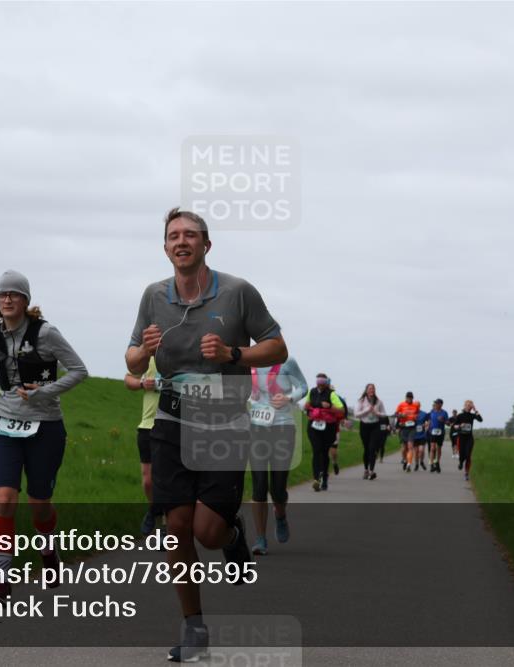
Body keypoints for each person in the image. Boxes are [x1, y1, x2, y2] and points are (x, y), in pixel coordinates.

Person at [125, 208, 287, 662]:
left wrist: (234, 352)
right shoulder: (153, 296)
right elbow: (133, 360)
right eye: (174, 236)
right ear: (165, 248)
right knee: (176, 527)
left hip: (224, 423)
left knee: (207, 532)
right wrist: (144, 351)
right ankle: (194, 628)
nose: (182, 242)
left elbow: (277, 345)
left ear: (206, 245)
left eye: (191, 235)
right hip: (172, 421)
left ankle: (232, 534)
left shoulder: (237, 293)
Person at [0, 270, 88, 602]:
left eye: (14, 294)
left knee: (39, 504)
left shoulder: (46, 333)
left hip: (46, 426)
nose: (7, 299)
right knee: (4, 498)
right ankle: (1, 581)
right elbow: (4, 369)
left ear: (26, 300)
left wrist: (43, 392)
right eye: (2, 294)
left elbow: (79, 371)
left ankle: (49, 551)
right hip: (4, 423)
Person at [247, 358, 308, 555]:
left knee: (278, 488)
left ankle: (280, 516)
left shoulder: (287, 362)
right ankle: (260, 538)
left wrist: (289, 398)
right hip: (257, 428)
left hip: (283, 427)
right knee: (259, 485)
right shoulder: (249, 362)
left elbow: (304, 386)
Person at [124, 357, 163, 535]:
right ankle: (155, 510)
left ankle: (165, 529)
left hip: (172, 425)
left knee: (166, 481)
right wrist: (141, 383)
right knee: (148, 481)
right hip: (147, 425)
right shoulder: (149, 357)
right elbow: (128, 379)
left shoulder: (181, 355)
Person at [303, 373, 346, 491]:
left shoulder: (331, 394)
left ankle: (325, 479)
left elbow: (341, 409)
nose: (320, 384)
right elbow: (306, 405)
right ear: (316, 382)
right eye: (319, 381)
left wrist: (329, 407)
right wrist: (313, 407)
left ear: (326, 383)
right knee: (316, 451)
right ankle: (316, 479)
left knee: (324, 452)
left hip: (328, 428)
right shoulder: (311, 392)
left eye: (323, 382)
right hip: (313, 426)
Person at [355, 383, 387, 479]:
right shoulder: (361, 401)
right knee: (366, 449)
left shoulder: (379, 402)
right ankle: (366, 469)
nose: (371, 390)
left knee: (372, 449)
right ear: (366, 390)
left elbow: (384, 414)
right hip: (364, 426)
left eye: (373, 389)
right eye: (369, 389)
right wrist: (367, 410)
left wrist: (376, 412)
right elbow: (356, 414)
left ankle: (372, 471)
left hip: (375, 426)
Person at [453, 400, 483, 481]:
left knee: (468, 455)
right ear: (465, 406)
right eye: (468, 405)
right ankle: (460, 462)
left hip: (469, 438)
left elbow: (480, 419)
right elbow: (454, 426)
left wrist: (475, 409)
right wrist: (459, 426)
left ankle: (466, 473)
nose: (469, 406)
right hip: (461, 438)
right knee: (462, 454)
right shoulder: (460, 416)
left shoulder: (472, 415)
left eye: (471, 405)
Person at [393, 391, 421, 472]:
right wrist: (401, 415)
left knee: (410, 446)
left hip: (412, 428)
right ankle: (405, 459)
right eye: (408, 398)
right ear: (406, 398)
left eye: (411, 398)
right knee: (404, 448)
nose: (409, 399)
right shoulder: (401, 405)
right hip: (403, 428)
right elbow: (395, 414)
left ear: (412, 398)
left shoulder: (415, 405)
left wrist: (416, 417)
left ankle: (409, 464)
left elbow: (417, 414)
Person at [427, 399, 449, 473]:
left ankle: (437, 463)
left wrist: (443, 420)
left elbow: (448, 423)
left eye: (437, 403)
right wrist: (428, 427)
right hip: (432, 432)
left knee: (439, 448)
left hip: (441, 432)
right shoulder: (432, 412)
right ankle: (432, 464)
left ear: (441, 404)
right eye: (435, 403)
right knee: (432, 448)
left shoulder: (444, 413)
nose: (436, 404)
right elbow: (429, 421)